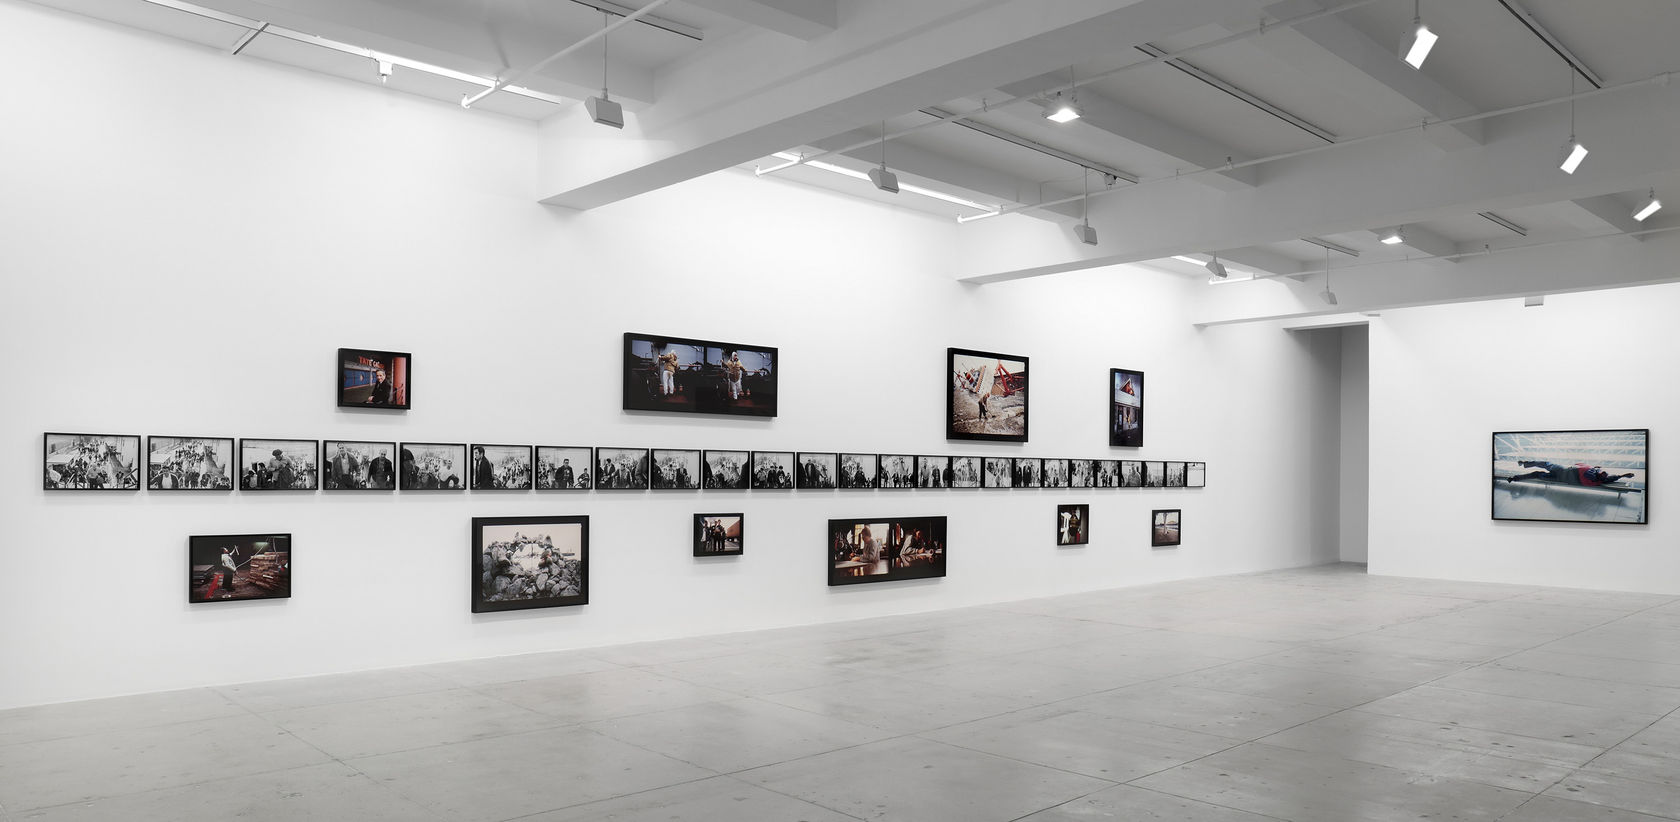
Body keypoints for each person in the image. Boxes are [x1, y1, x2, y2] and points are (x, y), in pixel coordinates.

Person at [1508, 460, 1634, 487]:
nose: (1603, 473)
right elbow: (1577, 464)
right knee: (1543, 465)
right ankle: (1524, 464)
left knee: (1538, 472)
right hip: (1562, 471)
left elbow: (1611, 478)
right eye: (1602, 471)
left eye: (1603, 473)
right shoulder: (1591, 468)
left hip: (1560, 475)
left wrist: (1622, 475)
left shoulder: (1598, 479)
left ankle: (1515, 478)